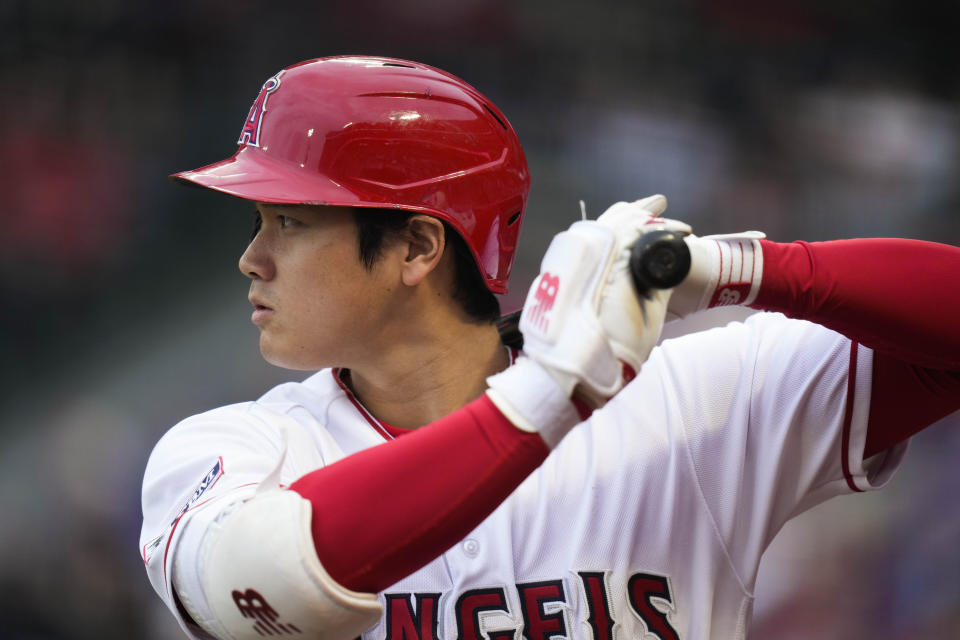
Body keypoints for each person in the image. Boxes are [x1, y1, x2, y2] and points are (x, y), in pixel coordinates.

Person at [140, 56, 960, 640]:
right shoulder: (235, 448)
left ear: (418, 249)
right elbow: (272, 580)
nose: (253, 257)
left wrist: (736, 268)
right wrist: (545, 401)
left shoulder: (680, 399)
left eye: (289, 220)